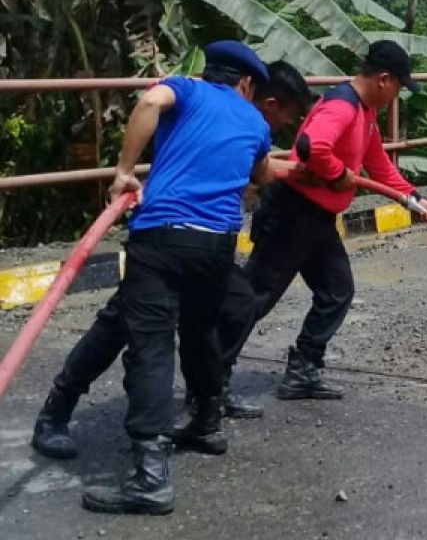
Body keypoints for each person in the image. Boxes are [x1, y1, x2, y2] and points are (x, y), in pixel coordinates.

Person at [30, 62, 315, 462]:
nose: (290, 122)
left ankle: (204, 416)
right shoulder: (198, 96)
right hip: (171, 236)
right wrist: (126, 172)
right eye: (288, 112)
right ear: (249, 86)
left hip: (203, 245)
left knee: (222, 312)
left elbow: (261, 171)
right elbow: (154, 103)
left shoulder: (248, 122)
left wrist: (309, 170)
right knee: (127, 327)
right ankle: (58, 413)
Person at [79, 41, 274, 515]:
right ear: (246, 84)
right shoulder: (256, 122)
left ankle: (149, 477)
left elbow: (148, 102)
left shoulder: (185, 89)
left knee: (150, 343)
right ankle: (207, 422)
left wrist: (125, 171)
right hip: (217, 246)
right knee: (200, 331)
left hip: (162, 236)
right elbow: (262, 174)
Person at [218, 40, 427, 409]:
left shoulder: (364, 114)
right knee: (254, 298)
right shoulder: (342, 105)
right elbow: (310, 147)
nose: (397, 95)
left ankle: (303, 368)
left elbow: (379, 166)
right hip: (291, 214)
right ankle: (211, 382)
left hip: (318, 220)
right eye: (399, 86)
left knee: (337, 291)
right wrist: (337, 174)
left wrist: (413, 197)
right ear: (383, 80)